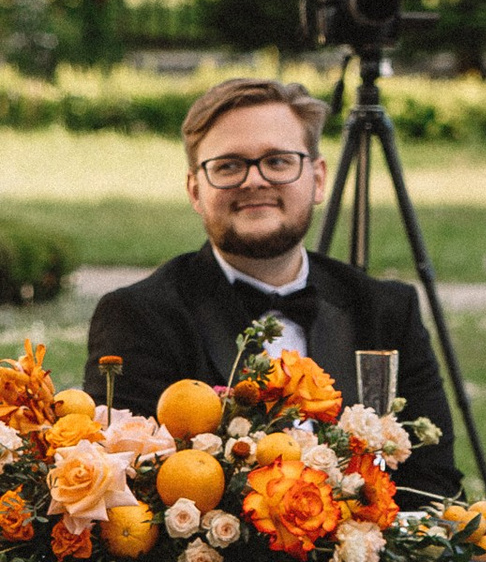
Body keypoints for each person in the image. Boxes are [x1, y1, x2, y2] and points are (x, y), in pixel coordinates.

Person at [83, 75, 461, 497]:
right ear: (195, 190)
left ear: (318, 179)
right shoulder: (138, 318)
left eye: (278, 161)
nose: (254, 181)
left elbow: (434, 487)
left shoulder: (387, 311)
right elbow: (127, 494)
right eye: (228, 166)